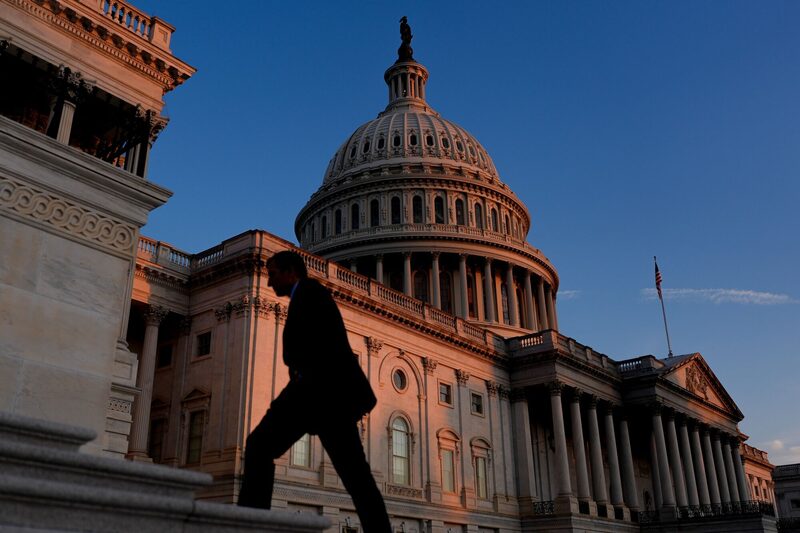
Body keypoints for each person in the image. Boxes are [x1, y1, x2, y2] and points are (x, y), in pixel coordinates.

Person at [237, 250, 391, 533]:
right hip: (324, 400)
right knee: (357, 478)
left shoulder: (310, 294)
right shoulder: (307, 295)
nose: (269, 283)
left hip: (318, 397)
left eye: (272, 275)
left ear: (290, 271)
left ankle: (249, 523)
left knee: (259, 447)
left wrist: (300, 380)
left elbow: (322, 351)